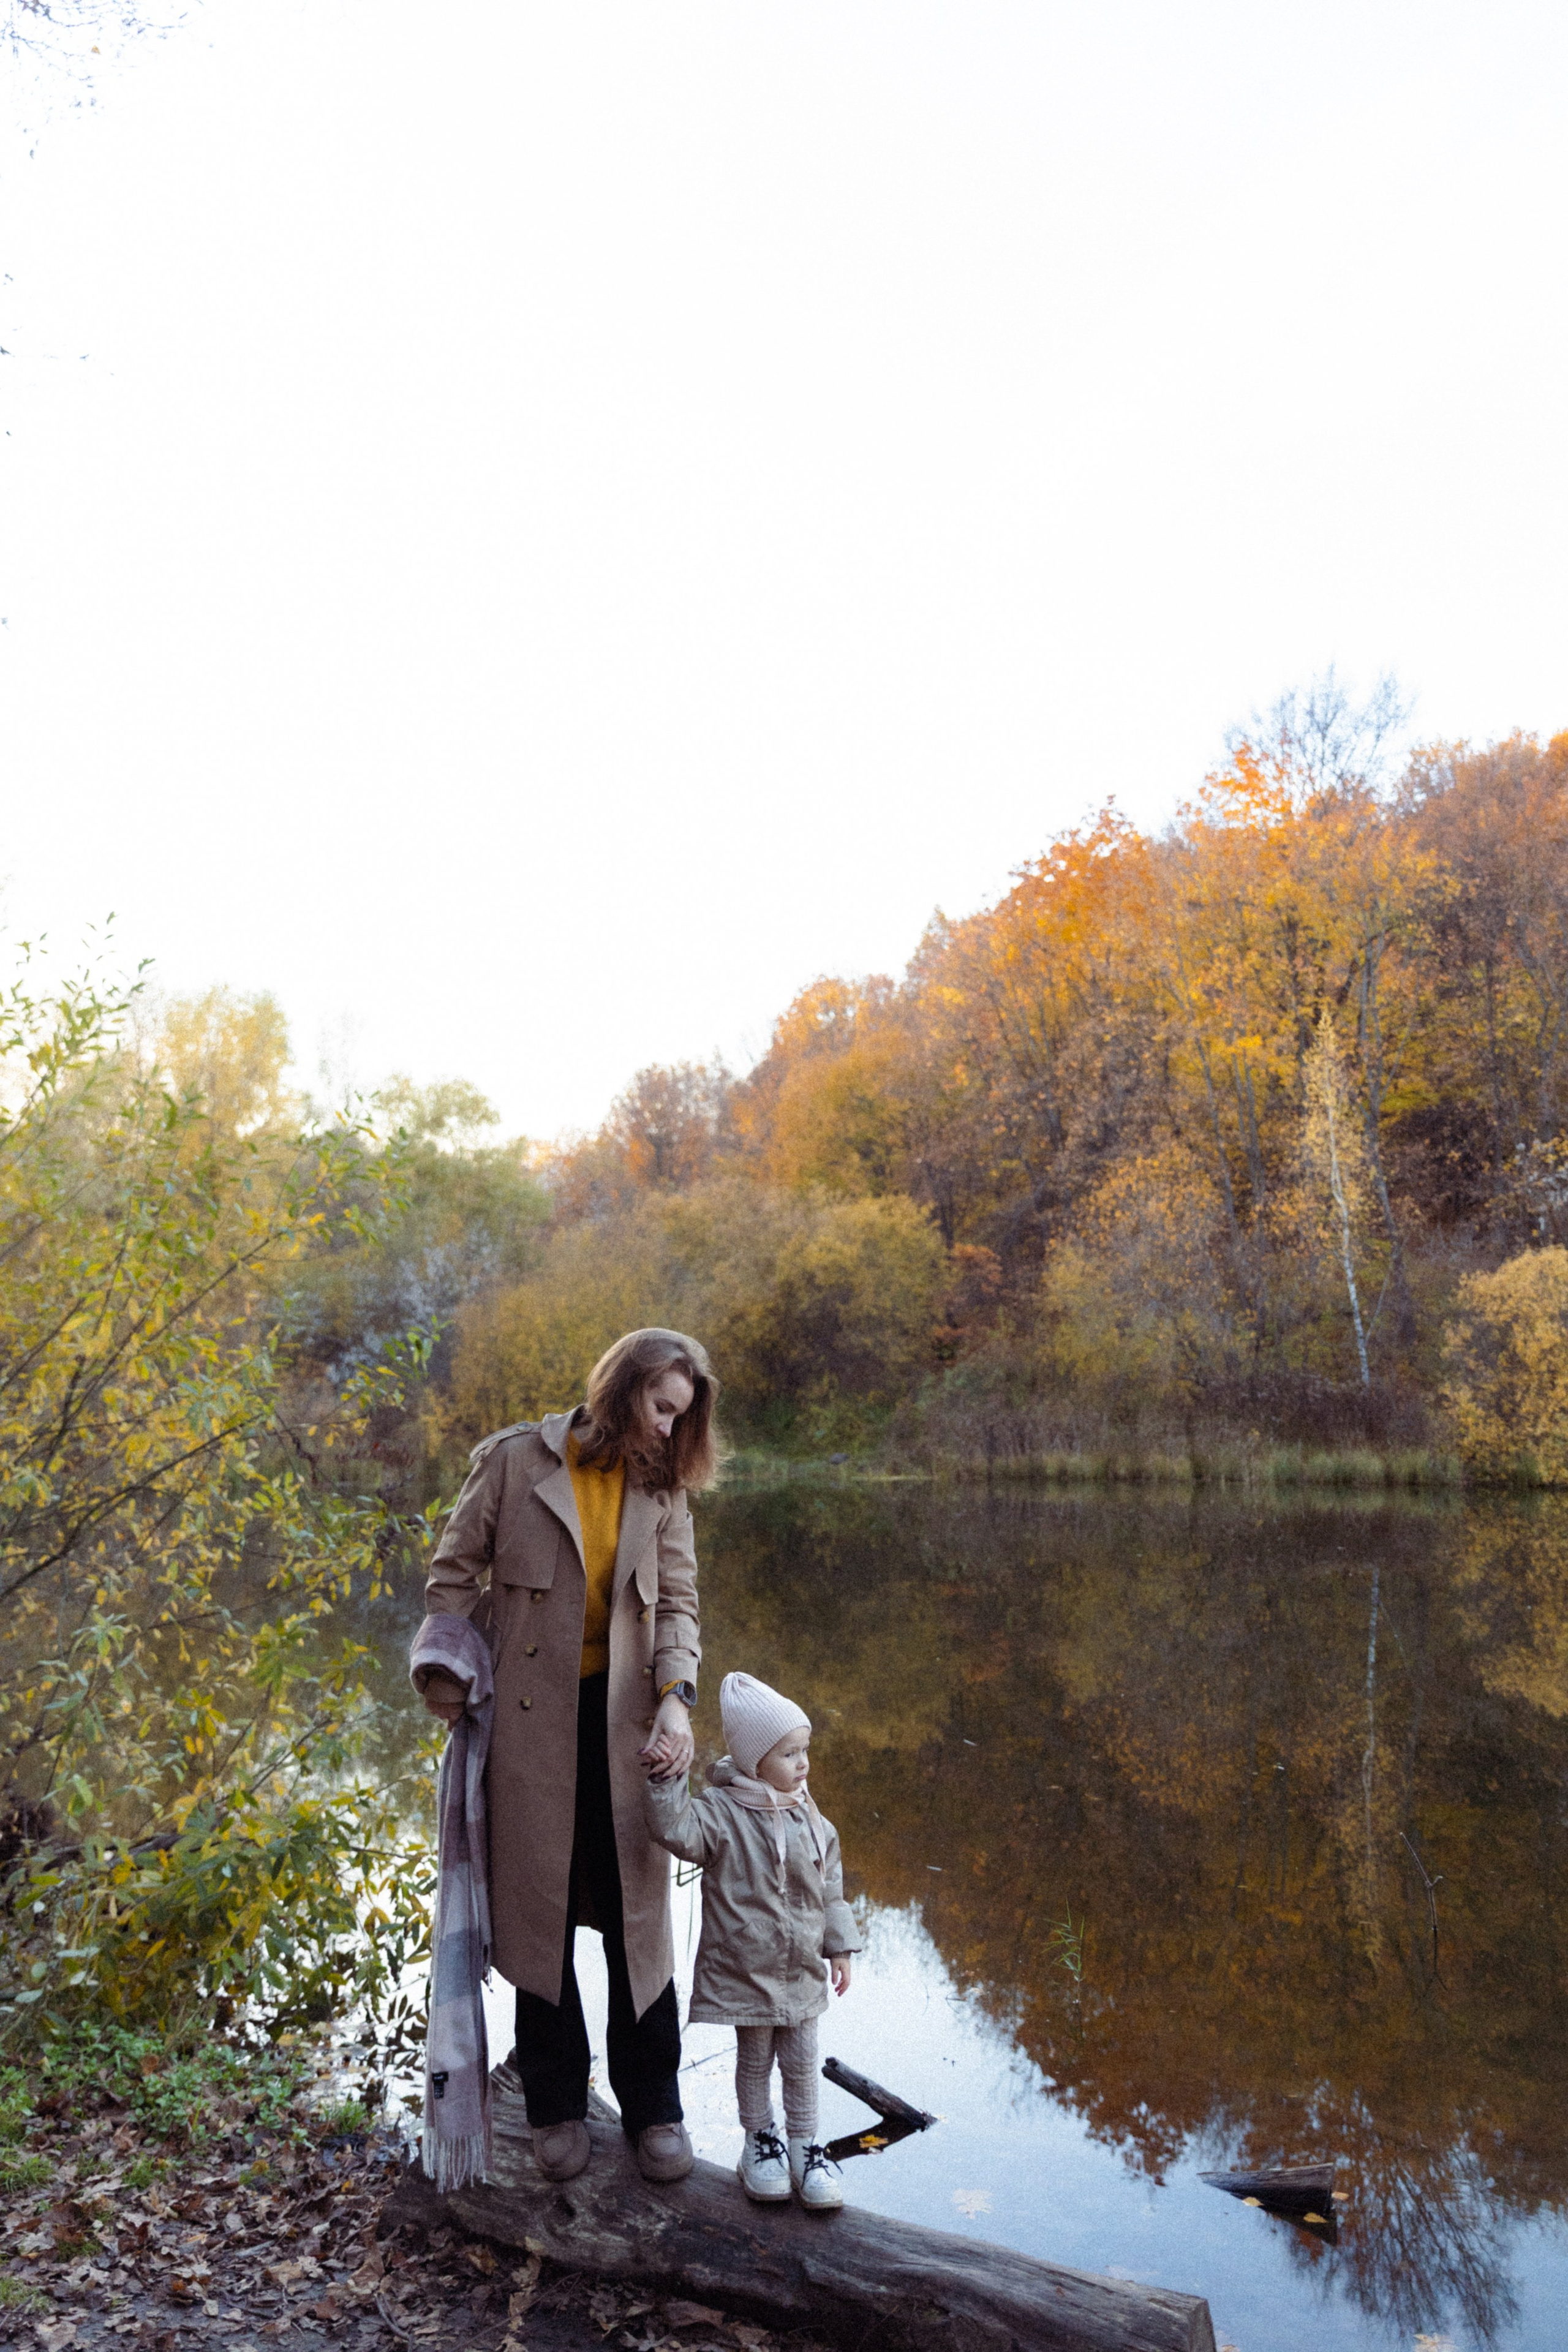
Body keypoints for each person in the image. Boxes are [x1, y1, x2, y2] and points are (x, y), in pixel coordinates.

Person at [410, 1327, 718, 2186]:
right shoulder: (513, 1462)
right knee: (537, 1915)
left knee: (639, 1920)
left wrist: (677, 1702)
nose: (668, 1429)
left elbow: (682, 1608)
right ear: (623, 1391)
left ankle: (655, 2107)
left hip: (631, 1730)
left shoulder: (662, 1489)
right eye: (661, 1408)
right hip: (526, 1728)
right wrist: (456, 1681)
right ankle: (554, 2105)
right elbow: (451, 1576)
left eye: (680, 1416)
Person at [641, 1670, 862, 2211]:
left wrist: (840, 1947)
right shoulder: (721, 1813)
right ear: (753, 1760)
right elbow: (675, 1830)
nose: (803, 1764)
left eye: (804, 1750)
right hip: (747, 1968)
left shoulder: (812, 1819)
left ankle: (806, 2147)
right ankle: (758, 2143)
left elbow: (830, 1889)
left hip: (801, 1970)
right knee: (756, 2061)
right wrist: (668, 1780)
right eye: (789, 1754)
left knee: (804, 2061)